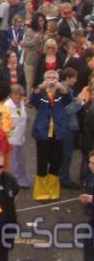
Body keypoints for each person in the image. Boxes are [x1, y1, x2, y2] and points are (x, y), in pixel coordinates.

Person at [30, 69, 73, 201]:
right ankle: (41, 192)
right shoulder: (41, 93)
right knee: (42, 162)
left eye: (54, 78)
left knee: (56, 161)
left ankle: (53, 190)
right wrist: (39, 88)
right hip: (43, 133)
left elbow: (69, 100)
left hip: (58, 132)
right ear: (44, 80)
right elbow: (32, 101)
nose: (52, 80)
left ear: (58, 80)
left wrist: (63, 89)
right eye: (49, 78)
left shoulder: (61, 93)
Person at [73, 150, 94, 261]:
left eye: (93, 163)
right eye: (90, 162)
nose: (90, 165)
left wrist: (91, 199)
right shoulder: (91, 177)